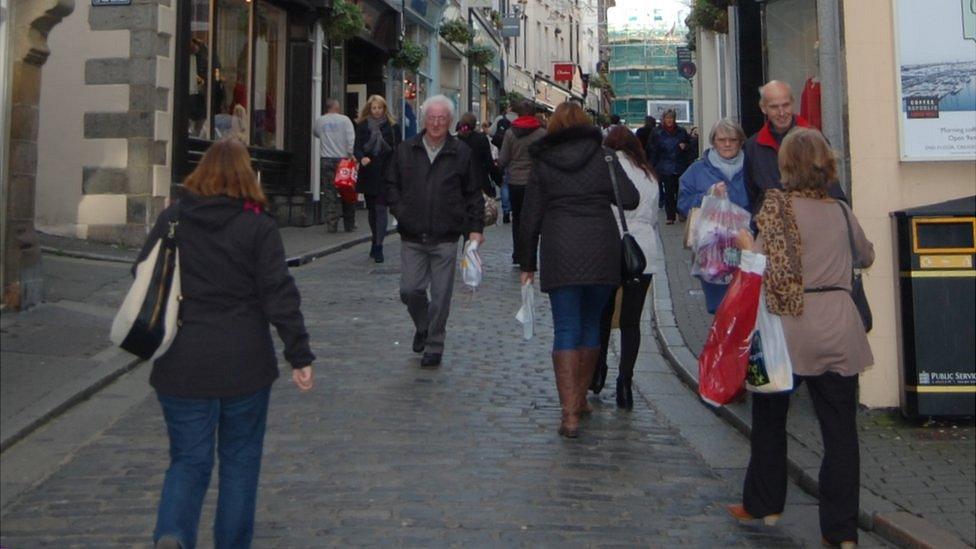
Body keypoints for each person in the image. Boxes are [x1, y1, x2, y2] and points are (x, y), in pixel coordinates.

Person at [144, 139, 315, 549]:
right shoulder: (257, 225)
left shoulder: (174, 219)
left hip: (182, 360)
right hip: (244, 363)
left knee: (187, 461)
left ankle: (173, 533)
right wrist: (299, 354)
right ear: (247, 175)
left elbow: (145, 274)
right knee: (240, 465)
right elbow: (279, 294)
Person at [727, 128, 873, 549]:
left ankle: (765, 504)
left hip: (787, 330)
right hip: (839, 327)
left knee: (770, 422)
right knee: (841, 433)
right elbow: (865, 255)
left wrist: (740, 244)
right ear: (826, 165)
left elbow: (755, 264)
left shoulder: (777, 209)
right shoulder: (842, 211)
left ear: (786, 166)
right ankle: (841, 532)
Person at [518, 102, 639, 438]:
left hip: (560, 246)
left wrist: (527, 263)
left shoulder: (544, 162)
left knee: (566, 327)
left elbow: (530, 217)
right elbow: (629, 199)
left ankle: (569, 413)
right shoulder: (605, 157)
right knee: (590, 325)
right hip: (602, 247)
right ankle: (580, 399)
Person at [386, 95, 485, 368]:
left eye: (442, 119)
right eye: (432, 118)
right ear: (424, 120)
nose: (437, 123)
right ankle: (423, 325)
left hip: (446, 235)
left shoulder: (461, 153)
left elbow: (473, 194)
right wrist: (401, 211)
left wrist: (475, 230)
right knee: (410, 290)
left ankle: (434, 344)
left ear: (450, 122)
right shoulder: (406, 149)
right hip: (412, 233)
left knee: (441, 296)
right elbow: (391, 184)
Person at [592, 126, 659, 409]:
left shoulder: (605, 167)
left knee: (604, 315)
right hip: (643, 250)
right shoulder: (648, 173)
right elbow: (654, 215)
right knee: (631, 322)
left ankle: (598, 372)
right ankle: (625, 383)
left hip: (611, 245)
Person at [678, 118, 750, 313]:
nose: (727, 144)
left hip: (747, 245)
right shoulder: (697, 169)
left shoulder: (752, 168)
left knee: (746, 304)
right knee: (721, 307)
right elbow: (683, 204)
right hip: (713, 251)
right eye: (722, 139)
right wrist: (708, 195)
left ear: (740, 142)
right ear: (713, 141)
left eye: (733, 140)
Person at [744, 80, 846, 214]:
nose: (781, 113)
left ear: (793, 103)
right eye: (774, 107)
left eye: (785, 105)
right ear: (763, 108)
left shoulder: (814, 141)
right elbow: (752, 196)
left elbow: (832, 189)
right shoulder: (753, 146)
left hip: (811, 224)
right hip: (773, 228)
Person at [498, 100, 546, 267]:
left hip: (515, 182)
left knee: (517, 218)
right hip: (535, 182)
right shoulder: (541, 134)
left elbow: (503, 159)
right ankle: (530, 254)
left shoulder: (511, 133)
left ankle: (518, 254)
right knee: (533, 219)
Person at [354, 95, 400, 263]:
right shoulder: (363, 126)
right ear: (369, 109)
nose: (377, 111)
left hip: (386, 172)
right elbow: (357, 147)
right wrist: (361, 158)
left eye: (379, 108)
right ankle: (375, 240)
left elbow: (398, 149)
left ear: (384, 109)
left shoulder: (393, 127)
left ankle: (379, 246)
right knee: (372, 210)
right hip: (368, 172)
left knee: (381, 209)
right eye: (374, 108)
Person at [313, 98, 357, 233]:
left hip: (326, 159)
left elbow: (316, 133)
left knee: (329, 193)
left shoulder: (320, 120)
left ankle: (331, 224)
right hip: (343, 160)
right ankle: (349, 224)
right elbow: (351, 138)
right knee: (347, 191)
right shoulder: (345, 120)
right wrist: (351, 153)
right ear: (337, 107)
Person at [648, 109, 691, 224]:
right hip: (665, 166)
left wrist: (685, 146)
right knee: (669, 192)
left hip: (680, 165)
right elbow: (652, 150)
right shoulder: (657, 133)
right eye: (667, 118)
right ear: (663, 119)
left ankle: (681, 212)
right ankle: (670, 216)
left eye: (671, 118)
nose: (669, 120)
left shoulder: (681, 131)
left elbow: (690, 146)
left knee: (681, 191)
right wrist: (652, 166)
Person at [456, 112, 500, 197]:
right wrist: (498, 180)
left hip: (459, 184)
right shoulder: (481, 139)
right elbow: (489, 163)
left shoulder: (455, 141)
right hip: (480, 183)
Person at [490, 105, 517, 223]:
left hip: (503, 153)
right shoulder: (520, 120)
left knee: (505, 184)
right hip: (517, 157)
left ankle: (506, 211)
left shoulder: (501, 119)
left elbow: (491, 133)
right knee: (515, 183)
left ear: (509, 109)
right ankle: (514, 209)